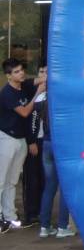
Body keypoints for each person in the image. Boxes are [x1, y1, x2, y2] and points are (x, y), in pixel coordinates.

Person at [0, 58, 45, 233]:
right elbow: (25, 112)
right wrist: (37, 93)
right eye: (16, 72)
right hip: (6, 138)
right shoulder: (7, 93)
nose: (21, 73)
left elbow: (41, 79)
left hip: (20, 139)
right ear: (8, 75)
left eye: (21, 70)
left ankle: (10, 216)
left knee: (12, 180)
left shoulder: (24, 84)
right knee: (2, 179)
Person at [38, 65, 76, 238]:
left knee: (49, 187)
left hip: (46, 144)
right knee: (65, 187)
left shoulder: (42, 99)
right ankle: (62, 226)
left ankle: (44, 227)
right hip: (63, 145)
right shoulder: (66, 100)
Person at [22, 64, 47, 227]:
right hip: (34, 141)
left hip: (47, 142)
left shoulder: (53, 93)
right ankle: (31, 213)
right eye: (41, 72)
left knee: (45, 179)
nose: (44, 75)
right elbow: (27, 119)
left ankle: (41, 212)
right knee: (32, 178)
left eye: (47, 72)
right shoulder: (30, 91)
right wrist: (31, 141)